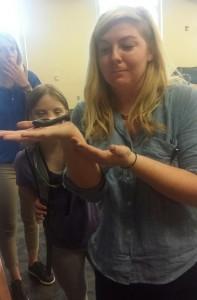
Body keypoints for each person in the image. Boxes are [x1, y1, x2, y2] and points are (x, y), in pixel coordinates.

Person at [1, 6, 197, 300]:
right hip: (112, 265)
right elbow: (91, 191)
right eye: (104, 49)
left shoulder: (184, 101)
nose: (114, 56)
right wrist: (73, 142)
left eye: (127, 45)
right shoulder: (85, 112)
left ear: (151, 50)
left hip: (174, 266)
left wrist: (132, 161)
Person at [14, 84, 98, 300]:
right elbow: (25, 191)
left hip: (101, 233)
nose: (50, 118)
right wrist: (34, 202)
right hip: (63, 239)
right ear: (30, 117)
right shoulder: (25, 160)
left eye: (57, 112)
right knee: (76, 294)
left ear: (67, 114)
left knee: (112, 289)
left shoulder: (85, 144)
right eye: (41, 113)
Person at [0, 33, 54, 300]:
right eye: (3, 49)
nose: (10, 54)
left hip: (32, 159)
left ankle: (33, 262)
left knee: (32, 216)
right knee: (8, 224)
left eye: (13, 49)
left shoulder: (29, 78)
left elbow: (48, 111)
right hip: (4, 163)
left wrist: (25, 85)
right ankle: (16, 277)